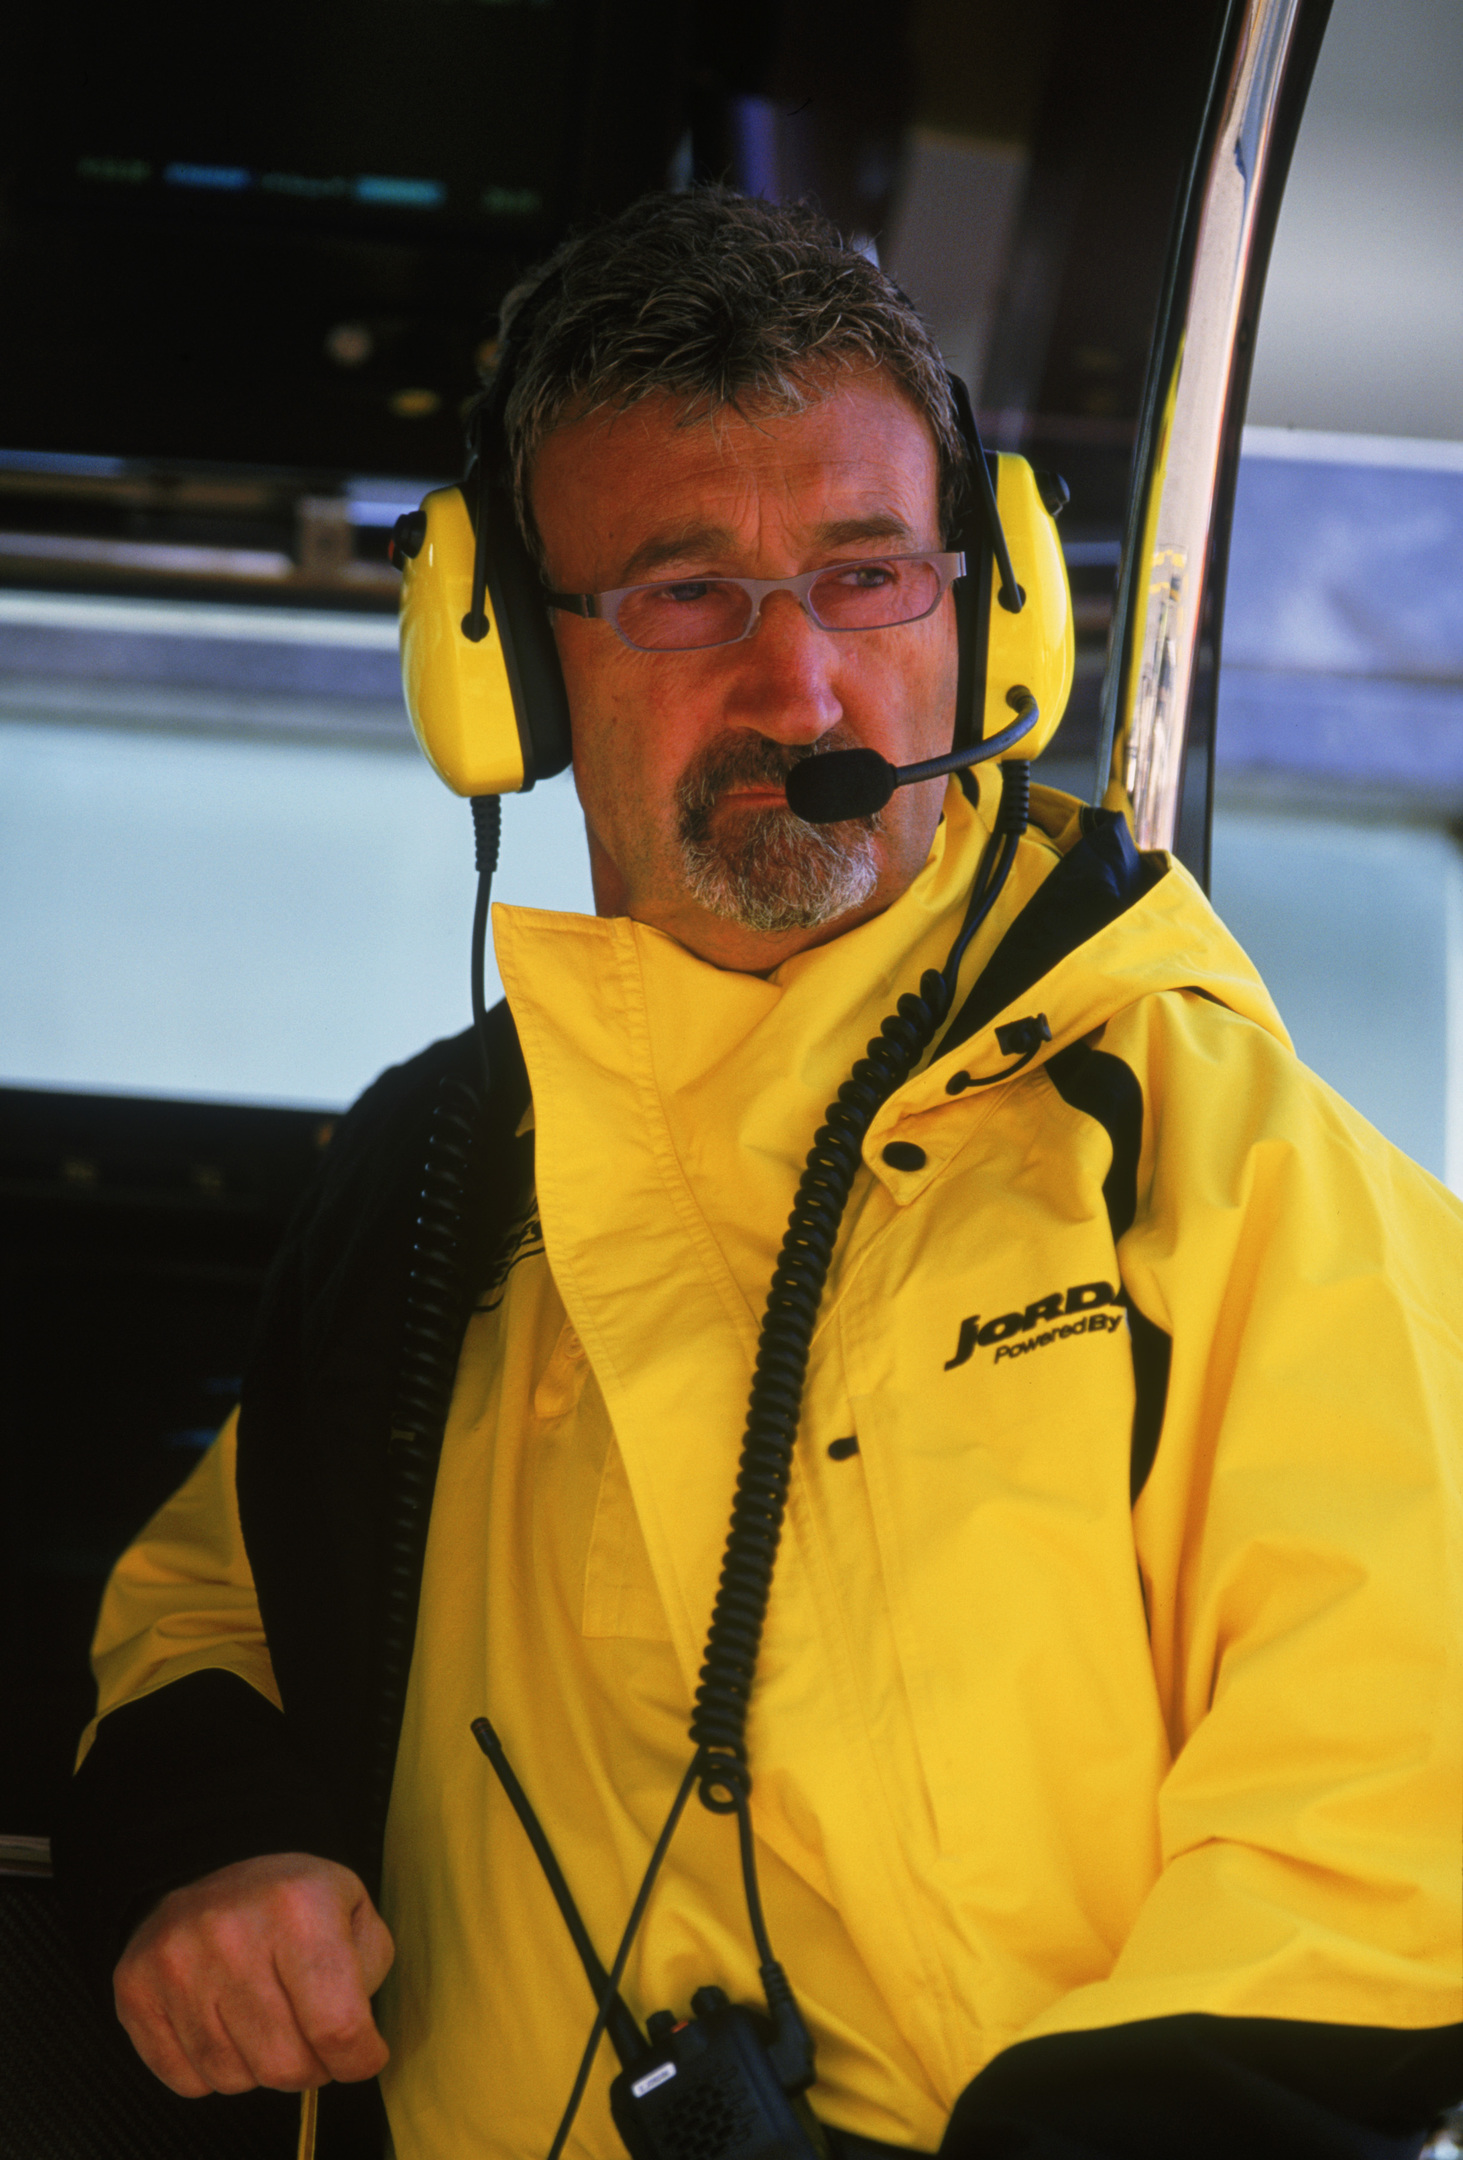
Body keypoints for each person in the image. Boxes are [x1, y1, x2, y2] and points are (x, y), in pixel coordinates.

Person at [56, 190, 1462, 2160]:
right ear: (510, 670)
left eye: (870, 576)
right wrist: (214, 1853)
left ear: (987, 614)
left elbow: (1408, 1811)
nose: (801, 691)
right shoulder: (429, 1189)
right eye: (683, 591)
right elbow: (204, 1612)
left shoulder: (1227, 1168)